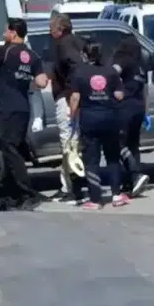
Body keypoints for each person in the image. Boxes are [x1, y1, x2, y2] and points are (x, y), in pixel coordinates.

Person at [0, 19, 50, 210]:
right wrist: (25, 79)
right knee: (11, 151)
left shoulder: (5, 51)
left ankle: (28, 194)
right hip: (23, 108)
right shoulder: (32, 55)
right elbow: (42, 82)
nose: (4, 34)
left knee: (10, 150)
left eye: (5, 31)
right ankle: (14, 196)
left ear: (13, 33)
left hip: (6, 108)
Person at [69, 41, 128, 210]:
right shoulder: (110, 72)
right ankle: (116, 195)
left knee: (92, 160)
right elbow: (119, 95)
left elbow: (75, 97)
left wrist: (72, 117)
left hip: (89, 120)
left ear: (85, 55)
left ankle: (96, 199)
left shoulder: (79, 72)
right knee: (113, 157)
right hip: (110, 119)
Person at [47, 12, 87, 203]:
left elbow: (75, 68)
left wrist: (73, 94)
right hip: (74, 97)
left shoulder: (65, 44)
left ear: (61, 29)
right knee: (72, 143)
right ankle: (67, 185)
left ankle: (73, 188)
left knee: (69, 144)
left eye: (52, 28)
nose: (50, 32)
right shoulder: (78, 41)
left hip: (68, 98)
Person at [111, 36, 151, 196]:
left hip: (125, 106)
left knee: (118, 144)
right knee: (133, 145)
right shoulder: (141, 66)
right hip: (139, 107)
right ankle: (131, 183)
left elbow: (112, 74)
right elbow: (145, 90)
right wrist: (146, 112)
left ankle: (135, 175)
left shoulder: (123, 59)